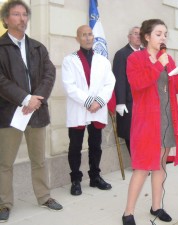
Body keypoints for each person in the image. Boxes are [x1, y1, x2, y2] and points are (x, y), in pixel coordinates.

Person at [122, 19, 178, 225]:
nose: (163, 37)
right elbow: (138, 84)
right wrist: (157, 65)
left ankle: (156, 206)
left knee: (160, 165)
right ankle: (128, 212)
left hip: (166, 120)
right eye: (158, 34)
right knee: (142, 168)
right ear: (147, 37)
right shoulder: (135, 58)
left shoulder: (168, 59)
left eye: (165, 34)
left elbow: (177, 86)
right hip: (146, 121)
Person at [0, 0, 63, 222]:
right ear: (6, 19)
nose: (22, 18)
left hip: (36, 111)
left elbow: (49, 74)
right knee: (5, 163)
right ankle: (4, 203)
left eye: (25, 14)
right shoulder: (1, 48)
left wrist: (35, 100)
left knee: (39, 159)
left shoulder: (38, 47)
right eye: (16, 14)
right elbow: (1, 81)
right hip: (10, 113)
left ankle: (44, 197)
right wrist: (24, 98)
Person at [61, 25, 115, 196]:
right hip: (79, 107)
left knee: (95, 145)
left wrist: (98, 102)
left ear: (93, 37)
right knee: (75, 146)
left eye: (90, 34)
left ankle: (95, 177)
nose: (87, 37)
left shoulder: (103, 60)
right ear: (77, 38)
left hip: (97, 109)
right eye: (83, 35)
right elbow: (69, 86)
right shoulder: (69, 60)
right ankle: (76, 180)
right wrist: (88, 101)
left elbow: (109, 83)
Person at [112, 26, 141, 156]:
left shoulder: (146, 53)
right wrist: (120, 102)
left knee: (143, 132)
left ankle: (144, 160)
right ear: (129, 37)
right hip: (129, 100)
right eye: (135, 34)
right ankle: (137, 161)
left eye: (140, 34)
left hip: (144, 101)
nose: (138, 36)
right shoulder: (121, 54)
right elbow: (119, 79)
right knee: (131, 132)